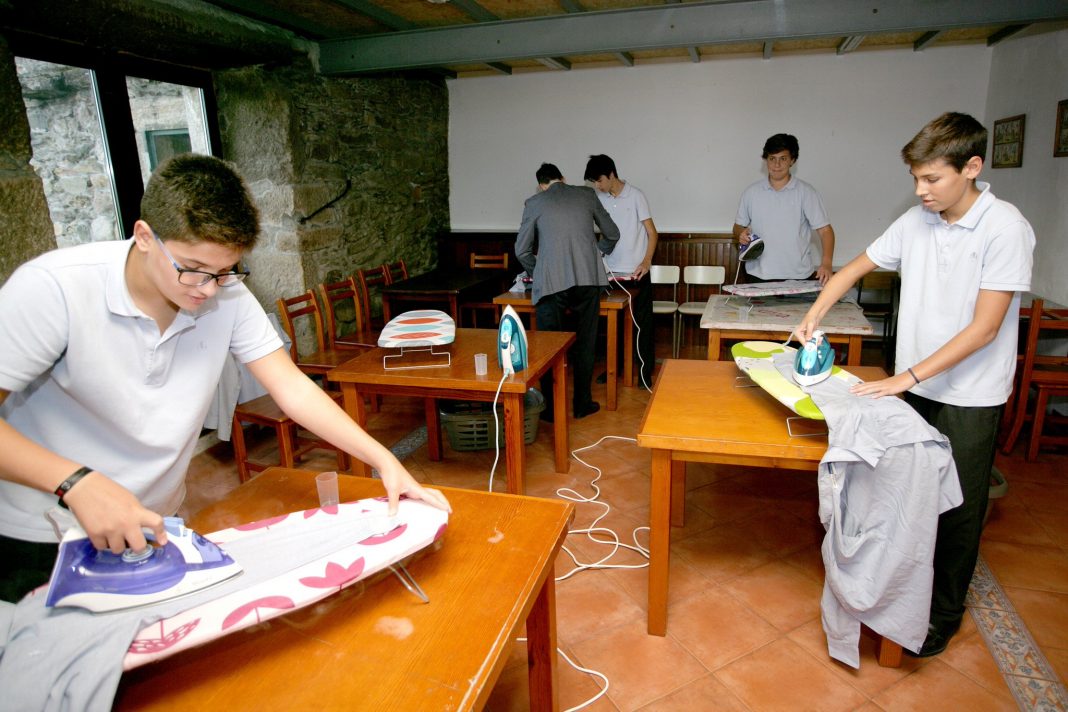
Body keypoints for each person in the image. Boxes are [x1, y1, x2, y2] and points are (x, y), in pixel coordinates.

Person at [0, 154, 450, 603]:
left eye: (224, 271)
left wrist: (383, 459)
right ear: (143, 237)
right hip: (38, 533)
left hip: (151, 522)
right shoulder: (54, 289)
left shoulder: (226, 295)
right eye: (192, 268)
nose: (207, 289)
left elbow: (291, 388)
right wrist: (75, 481)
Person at [796, 112, 1035, 657]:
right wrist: (815, 314)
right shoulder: (914, 221)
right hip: (914, 387)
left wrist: (902, 377)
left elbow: (986, 327)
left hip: (970, 395)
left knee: (957, 508)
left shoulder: (1006, 228)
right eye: (915, 179)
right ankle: (898, 595)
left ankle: (943, 614)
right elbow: (854, 268)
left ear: (972, 168)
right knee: (902, 496)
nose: (921, 190)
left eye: (933, 179)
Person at [515, 162, 620, 419]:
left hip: (551, 283)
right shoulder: (586, 194)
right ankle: (582, 404)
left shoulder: (534, 202)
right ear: (563, 177)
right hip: (588, 278)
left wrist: (537, 271)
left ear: (541, 185)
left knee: (550, 346)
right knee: (585, 342)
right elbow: (613, 234)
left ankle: (550, 410)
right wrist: (596, 254)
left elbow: (522, 251)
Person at [584, 154, 658, 388]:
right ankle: (614, 369)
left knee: (641, 325)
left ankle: (645, 373)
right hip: (609, 272)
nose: (597, 186)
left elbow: (652, 233)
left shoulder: (636, 196)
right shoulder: (600, 199)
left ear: (612, 175)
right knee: (612, 327)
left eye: (599, 181)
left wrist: (646, 261)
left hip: (636, 272)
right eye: (594, 182)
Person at [733, 133, 837, 284]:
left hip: (798, 275)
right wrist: (740, 233)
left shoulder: (806, 192)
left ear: (792, 161)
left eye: (783, 159)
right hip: (757, 275)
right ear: (765, 160)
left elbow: (825, 231)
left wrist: (827, 263)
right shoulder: (751, 192)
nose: (777, 165)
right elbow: (737, 226)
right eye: (772, 159)